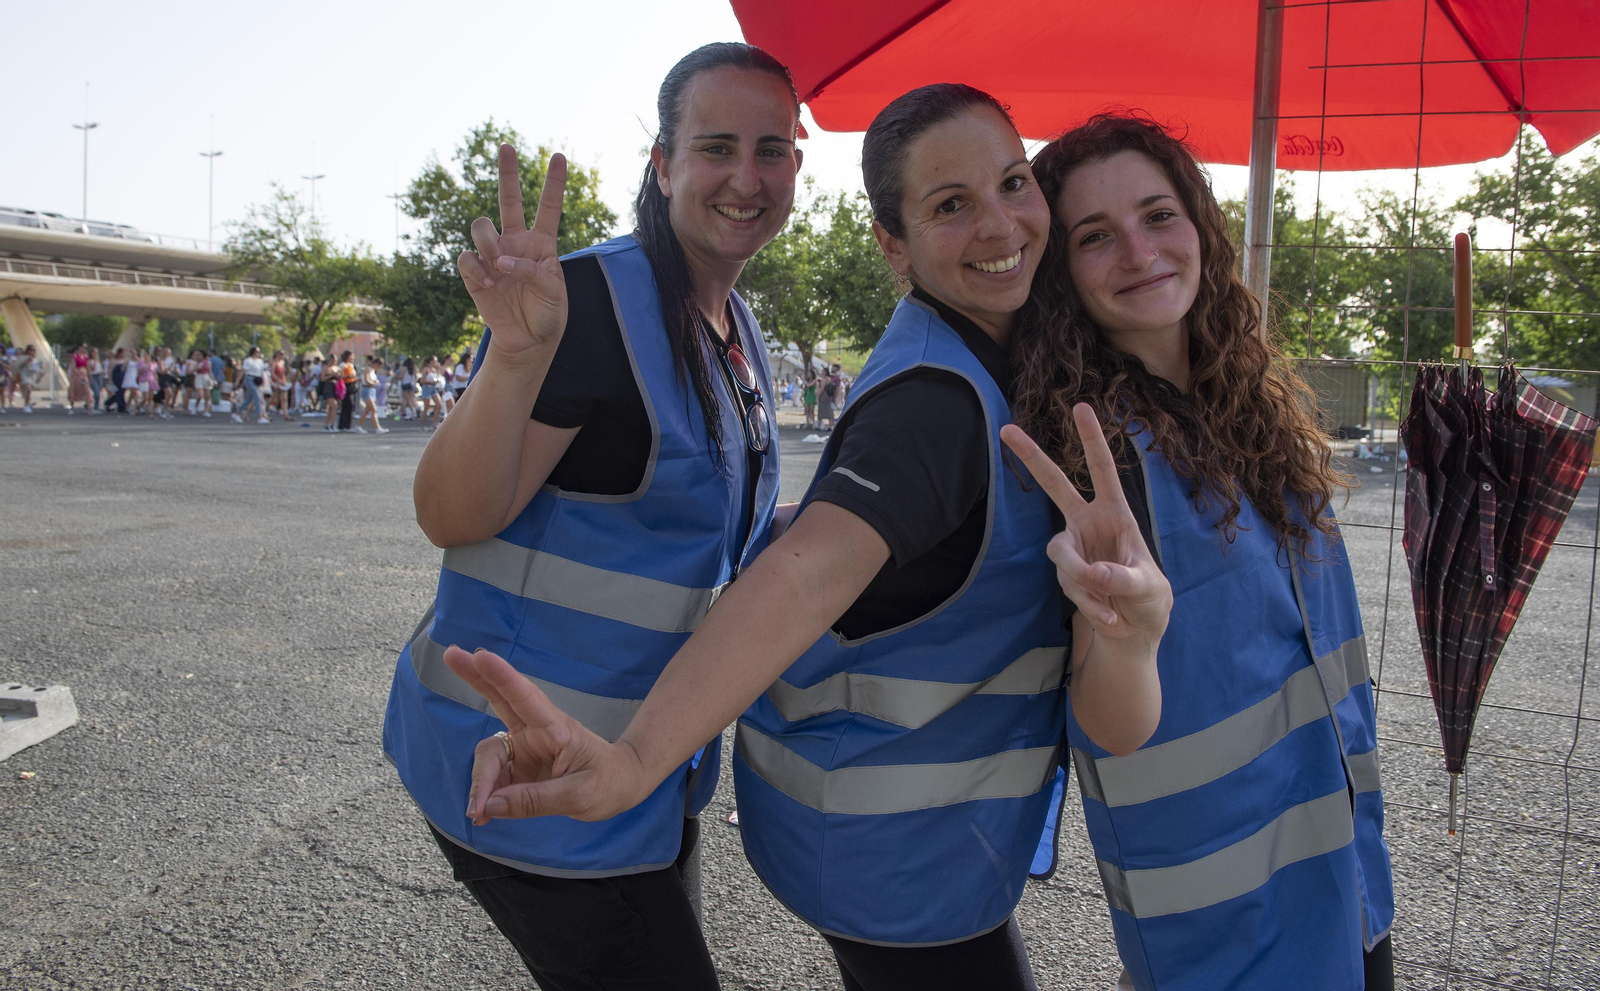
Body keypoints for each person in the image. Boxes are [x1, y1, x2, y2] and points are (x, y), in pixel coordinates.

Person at [439, 83, 1170, 991]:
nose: (999, 224)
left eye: (1014, 183)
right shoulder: (934, 405)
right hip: (862, 846)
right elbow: (801, 577)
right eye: (950, 205)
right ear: (891, 244)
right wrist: (634, 760)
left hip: (851, 823)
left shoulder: (783, 333)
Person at [382, 42, 799, 991]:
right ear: (662, 162)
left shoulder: (734, 329)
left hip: (633, 773)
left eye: (771, 150)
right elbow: (450, 512)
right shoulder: (590, 304)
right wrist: (518, 361)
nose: (746, 177)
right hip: (527, 769)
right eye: (716, 147)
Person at [1005, 113, 1396, 991]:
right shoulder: (1101, 456)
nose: (1139, 252)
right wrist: (1128, 636)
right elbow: (1110, 724)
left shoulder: (1250, 411)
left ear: (1200, 224)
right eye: (1095, 236)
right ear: (1062, 273)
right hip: (1226, 924)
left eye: (1158, 214)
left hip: (1348, 876)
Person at [352, 355, 388, 434]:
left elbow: (373, 379)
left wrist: (376, 382)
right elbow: (366, 379)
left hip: (372, 390)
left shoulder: (372, 371)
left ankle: (358, 426)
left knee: (367, 410)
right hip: (367, 389)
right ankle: (377, 428)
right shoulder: (367, 369)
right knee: (373, 409)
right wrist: (373, 384)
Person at [239, 346, 269, 424]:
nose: (258, 353)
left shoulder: (260, 361)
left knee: (249, 399)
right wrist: (238, 381)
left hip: (257, 380)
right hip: (249, 378)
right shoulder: (248, 360)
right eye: (257, 351)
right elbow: (243, 371)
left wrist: (262, 381)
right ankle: (259, 417)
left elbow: (261, 372)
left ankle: (237, 412)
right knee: (257, 397)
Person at [66, 344, 92, 413]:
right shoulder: (74, 356)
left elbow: (88, 367)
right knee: (74, 389)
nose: (84, 349)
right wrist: (78, 374)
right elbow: (73, 367)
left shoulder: (86, 357)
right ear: (79, 348)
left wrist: (90, 375)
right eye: (83, 347)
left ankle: (89, 407)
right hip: (76, 375)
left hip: (84, 374)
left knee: (87, 390)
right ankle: (72, 407)